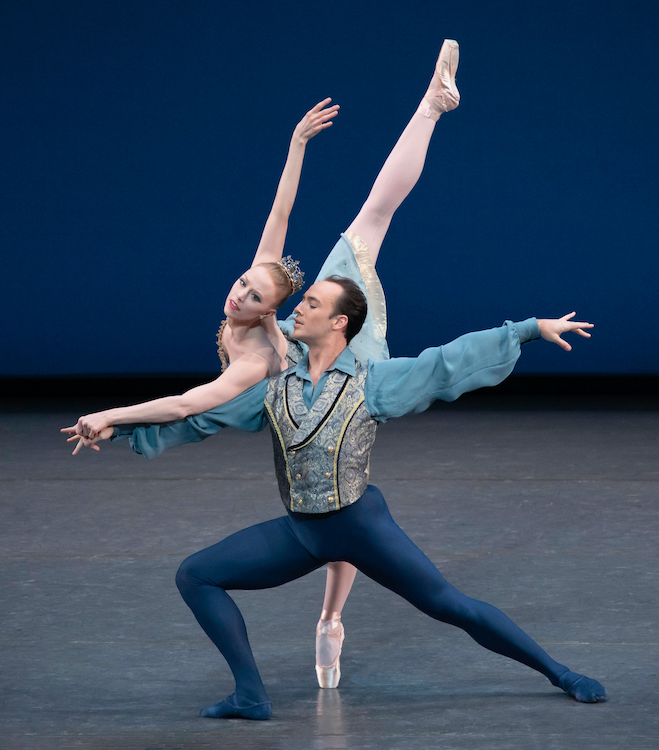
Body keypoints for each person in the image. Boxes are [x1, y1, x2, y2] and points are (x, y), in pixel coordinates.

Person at [63, 41, 465, 689]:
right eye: (242, 287)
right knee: (337, 509)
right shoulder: (253, 351)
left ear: (274, 301)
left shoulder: (266, 326)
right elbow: (190, 401)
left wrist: (297, 145)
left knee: (370, 220)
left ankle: (431, 106)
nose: (237, 292)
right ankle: (332, 620)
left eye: (253, 289)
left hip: (335, 365)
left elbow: (189, 400)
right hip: (303, 383)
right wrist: (296, 145)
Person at [69, 275, 606, 720]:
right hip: (302, 531)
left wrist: (532, 329)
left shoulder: (373, 382)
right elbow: (199, 416)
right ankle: (251, 696)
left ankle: (561, 673)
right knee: (195, 574)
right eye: (301, 302)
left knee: (450, 605)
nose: (295, 311)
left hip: (360, 527)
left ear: (339, 322)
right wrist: (115, 429)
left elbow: (447, 362)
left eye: (310, 304)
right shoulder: (274, 387)